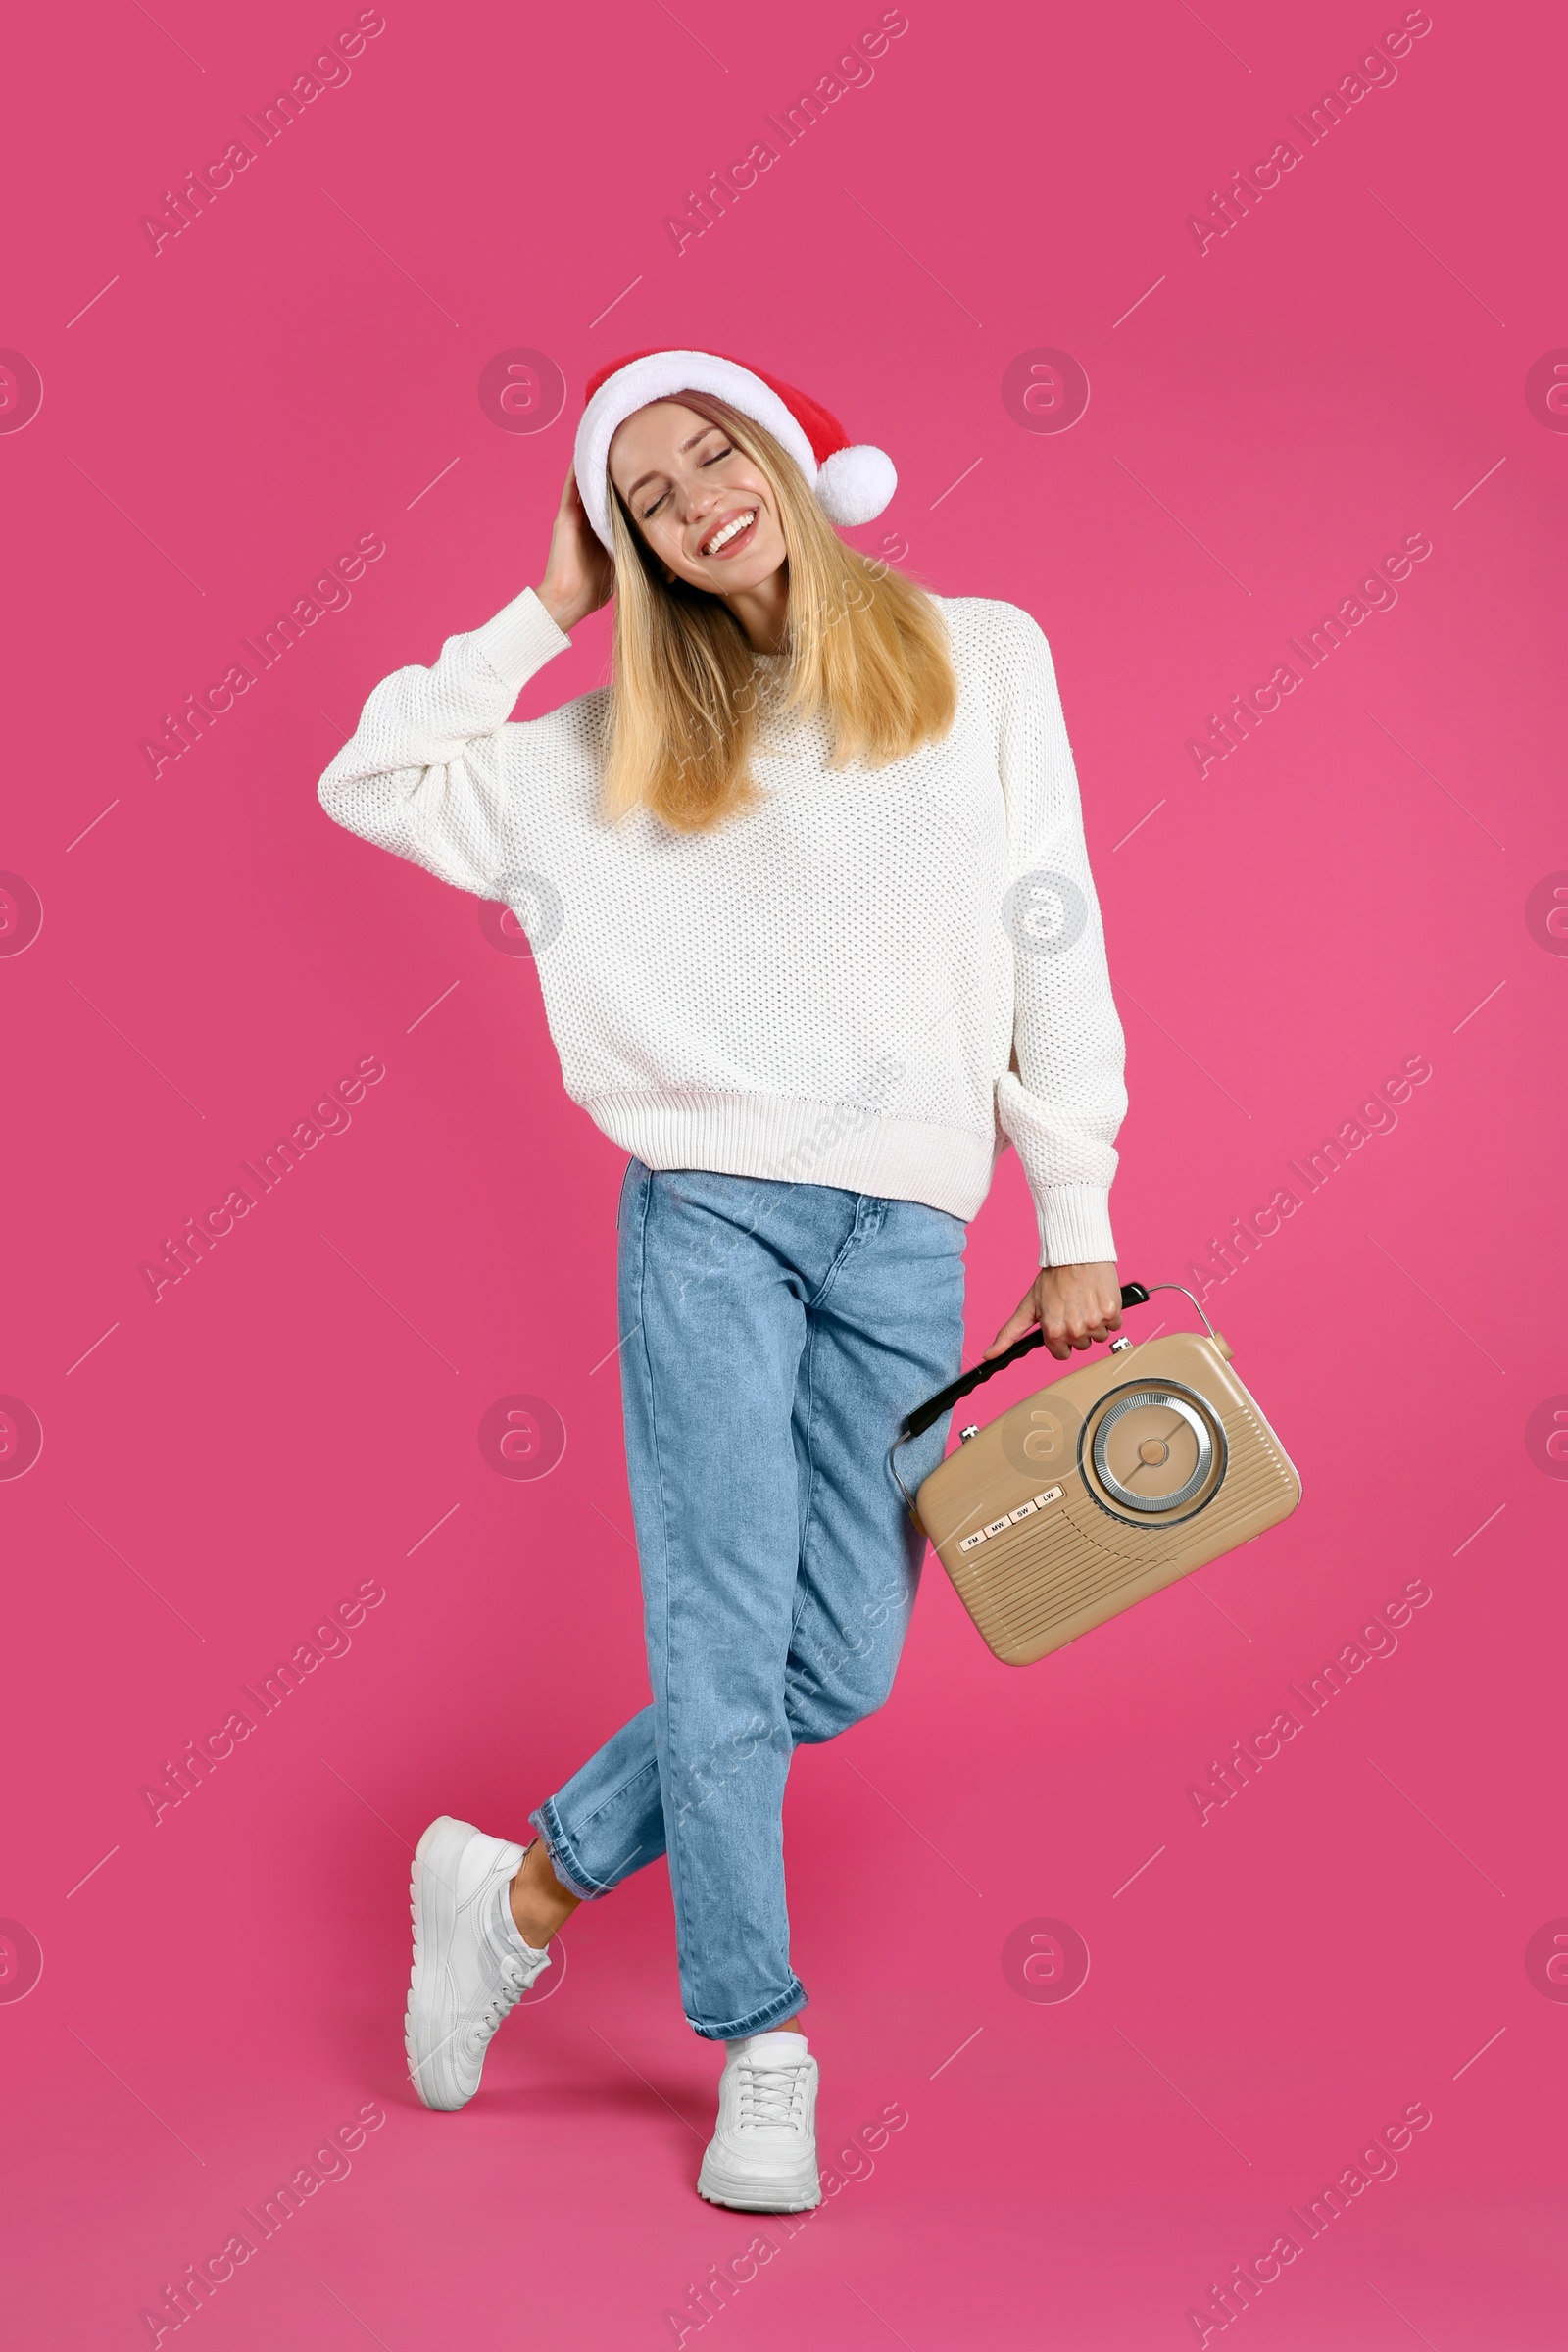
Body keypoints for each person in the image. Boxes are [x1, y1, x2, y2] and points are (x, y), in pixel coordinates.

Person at [316, 347, 1128, 2211]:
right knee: (717, 1635)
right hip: (709, 1217)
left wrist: (1071, 1206)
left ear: (787, 454)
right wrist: (543, 606)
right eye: (649, 497)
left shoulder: (981, 656)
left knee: (834, 1662)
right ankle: (762, 2037)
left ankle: (514, 1891)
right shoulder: (615, 744)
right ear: (636, 549)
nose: (698, 501)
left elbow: (1051, 917)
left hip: (910, 1230)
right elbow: (376, 774)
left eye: (714, 455)